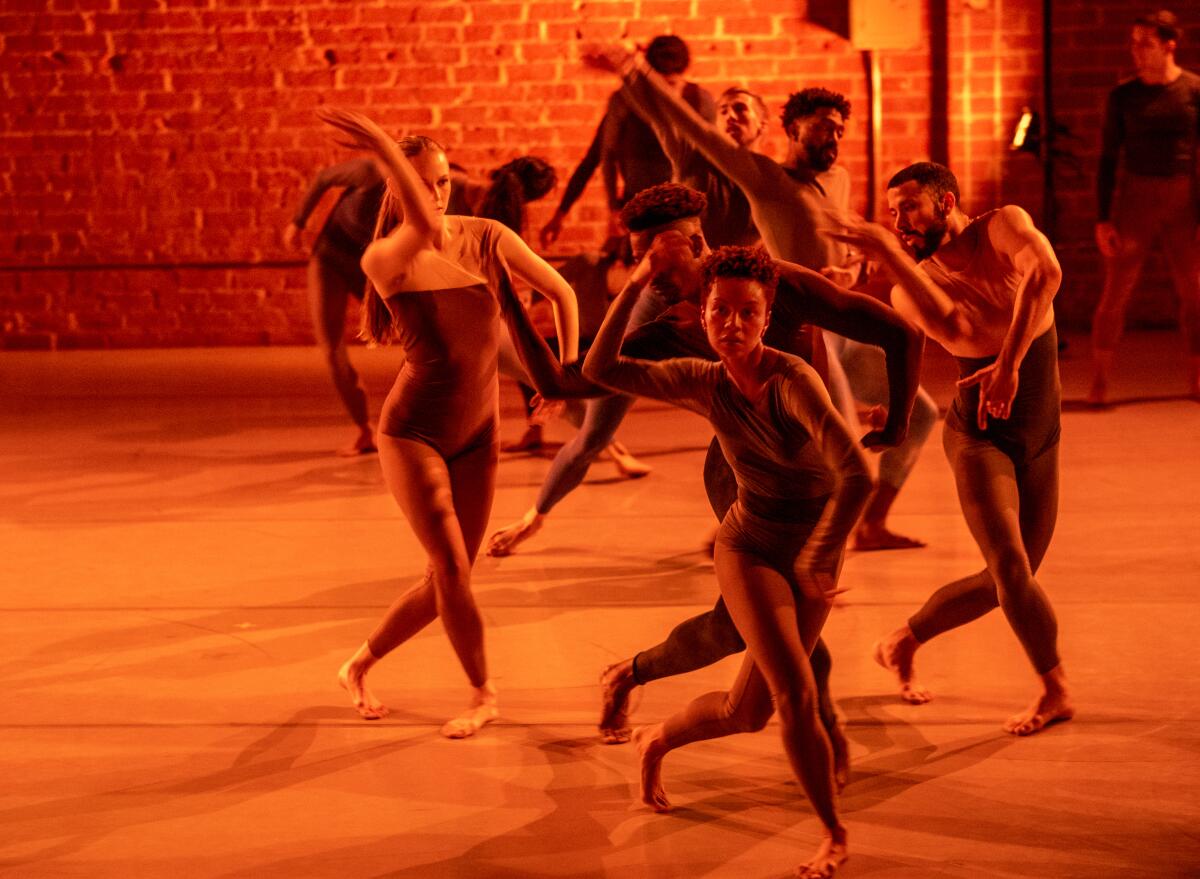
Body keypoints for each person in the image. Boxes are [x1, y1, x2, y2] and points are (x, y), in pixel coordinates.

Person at [589, 186, 923, 779]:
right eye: (640, 257)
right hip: (741, 475)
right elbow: (584, 375)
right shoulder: (667, 321)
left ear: (691, 241)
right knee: (746, 627)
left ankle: (811, 724)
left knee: (786, 617)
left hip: (818, 475)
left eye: (657, 254)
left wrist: (897, 422)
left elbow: (901, 333)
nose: (652, 269)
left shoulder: (777, 282)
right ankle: (638, 675)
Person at [584, 244, 873, 879]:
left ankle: (655, 739)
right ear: (705, 312)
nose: (732, 325)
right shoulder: (701, 380)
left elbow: (857, 472)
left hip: (814, 544)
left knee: (750, 712)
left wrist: (824, 552)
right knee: (796, 690)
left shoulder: (791, 381)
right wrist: (638, 280)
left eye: (747, 313)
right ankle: (832, 836)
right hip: (748, 546)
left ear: (766, 319)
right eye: (720, 310)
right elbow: (600, 365)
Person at [589, 48, 938, 550]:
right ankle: (780, 547)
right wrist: (633, 70)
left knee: (921, 414)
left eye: (839, 129)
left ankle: (871, 524)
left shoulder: (836, 180)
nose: (833, 137)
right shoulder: (766, 178)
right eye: (822, 127)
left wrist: (855, 266)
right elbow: (693, 130)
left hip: (839, 327)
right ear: (792, 130)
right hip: (804, 331)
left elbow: (841, 249)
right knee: (832, 454)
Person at [317, 108, 580, 739]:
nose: (437, 193)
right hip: (414, 435)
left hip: (478, 433)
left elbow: (562, 295)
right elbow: (424, 223)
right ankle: (483, 693)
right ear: (399, 188)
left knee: (446, 576)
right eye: (422, 181)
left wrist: (560, 380)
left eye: (442, 181)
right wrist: (383, 145)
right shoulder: (384, 257)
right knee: (455, 570)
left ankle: (359, 663)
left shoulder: (488, 236)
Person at [828, 162, 1075, 736]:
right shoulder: (909, 288)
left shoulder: (1004, 226)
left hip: (1042, 437)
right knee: (1013, 570)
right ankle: (1055, 690)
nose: (899, 221)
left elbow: (1048, 273)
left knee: (1007, 581)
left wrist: (1009, 365)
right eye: (891, 214)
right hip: (978, 440)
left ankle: (902, 639)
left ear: (946, 202)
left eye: (908, 207)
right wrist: (888, 253)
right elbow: (957, 325)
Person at [1089, 9, 1200, 405]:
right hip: (1137, 199)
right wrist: (1103, 218)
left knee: (1195, 292)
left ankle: (1196, 377)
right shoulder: (1124, 96)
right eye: (1134, 43)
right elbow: (1107, 158)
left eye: (1146, 44)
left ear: (1169, 46)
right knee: (1115, 291)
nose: (1137, 51)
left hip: (1182, 198)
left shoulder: (1192, 91)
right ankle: (1099, 381)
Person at [538, 35, 716, 251]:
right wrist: (605, 209)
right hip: (638, 208)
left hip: (686, 210)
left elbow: (713, 161)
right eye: (662, 84)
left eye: (673, 84)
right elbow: (600, 155)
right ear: (652, 79)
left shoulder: (700, 100)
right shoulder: (626, 100)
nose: (668, 94)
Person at [284, 157, 386, 456]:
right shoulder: (373, 171)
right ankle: (365, 430)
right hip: (331, 256)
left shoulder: (424, 195)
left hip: (370, 265)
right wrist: (298, 222)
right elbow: (323, 177)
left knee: (420, 340)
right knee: (331, 346)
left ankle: (415, 427)